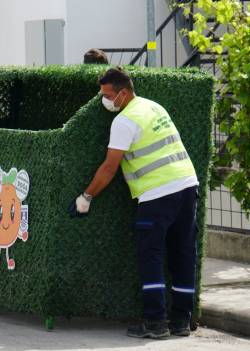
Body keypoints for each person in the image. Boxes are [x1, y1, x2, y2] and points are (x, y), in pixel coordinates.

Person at [68, 67, 199, 339]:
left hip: (157, 193)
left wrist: (86, 196)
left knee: (150, 256)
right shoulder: (153, 107)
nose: (104, 100)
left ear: (123, 93)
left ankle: (155, 323)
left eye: (107, 94)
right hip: (187, 185)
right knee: (183, 253)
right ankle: (181, 321)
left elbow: (109, 167)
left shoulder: (124, 121)